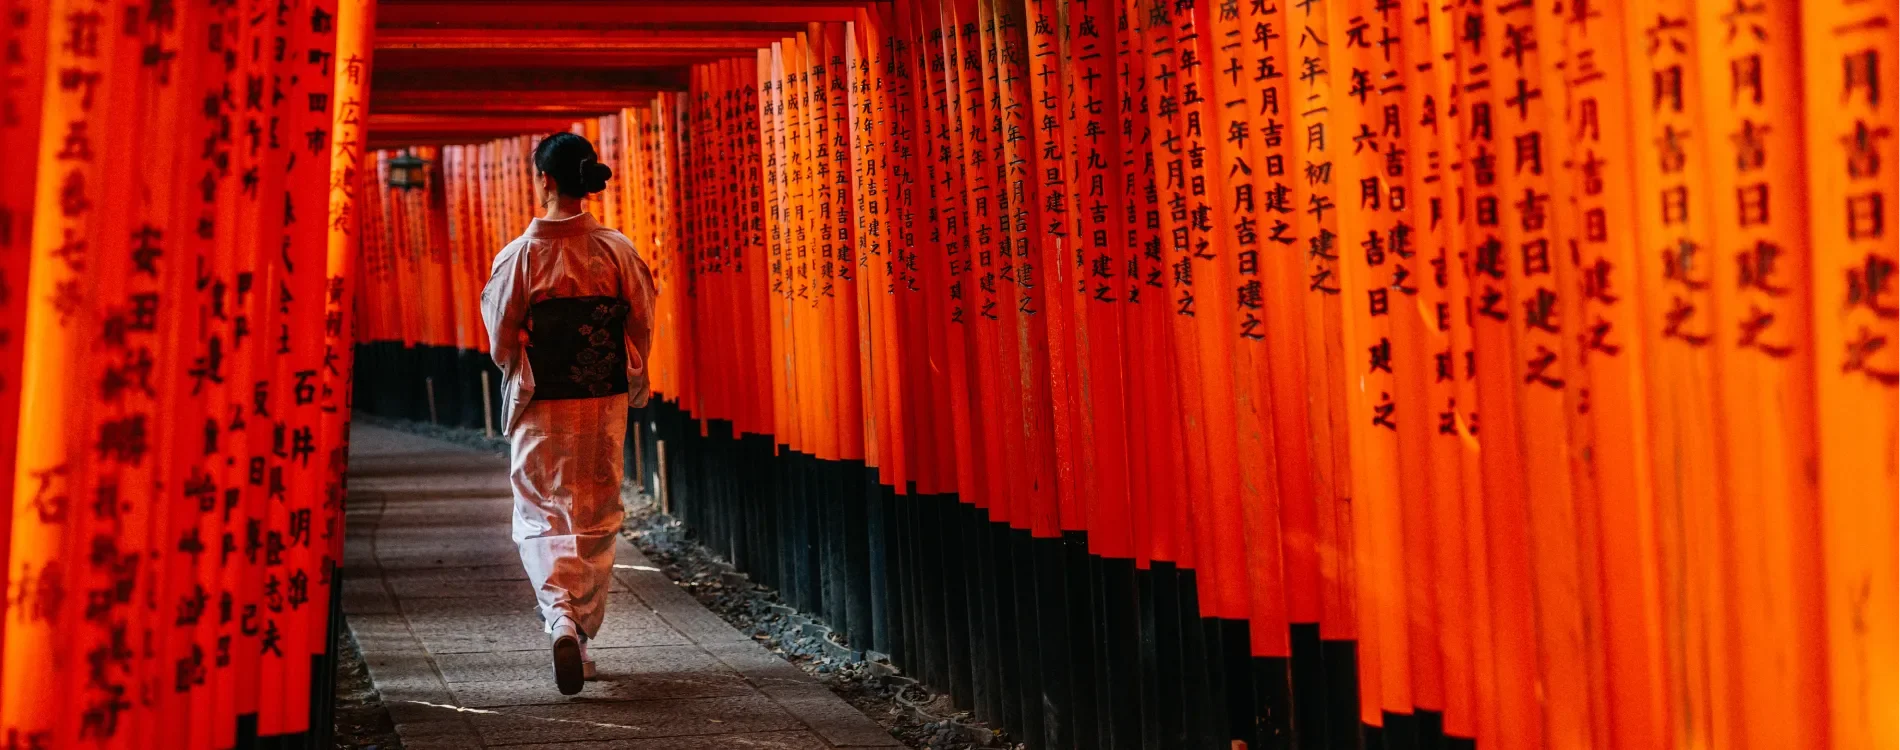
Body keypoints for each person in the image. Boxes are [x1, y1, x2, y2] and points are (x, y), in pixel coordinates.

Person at [480, 132, 657, 695]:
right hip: (600, 398)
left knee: (540, 510)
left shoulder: (520, 256)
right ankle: (577, 630)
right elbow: (641, 324)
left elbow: (500, 338)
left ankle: (559, 619)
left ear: (546, 181)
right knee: (596, 509)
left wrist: (523, 358)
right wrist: (622, 366)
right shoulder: (617, 249)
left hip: (541, 398)